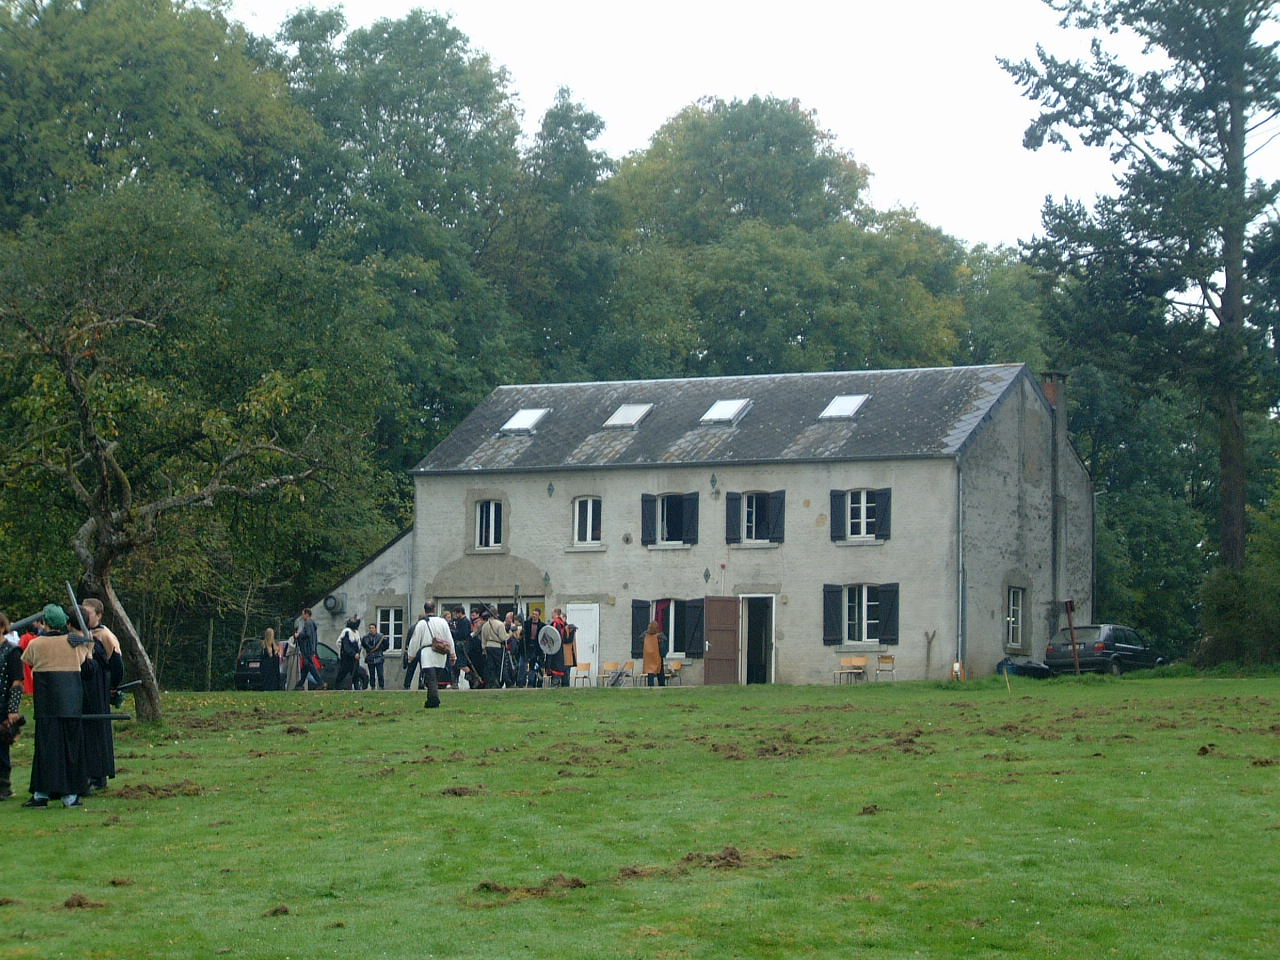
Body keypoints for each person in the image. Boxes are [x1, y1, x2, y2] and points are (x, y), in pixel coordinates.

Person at [21, 604, 91, 808]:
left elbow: (28, 661)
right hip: (71, 704)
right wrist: (88, 645)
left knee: (46, 751)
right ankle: (70, 796)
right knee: (71, 751)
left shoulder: (35, 644)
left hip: (46, 705)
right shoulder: (75, 642)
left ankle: (41, 795)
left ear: (45, 623)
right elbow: (86, 664)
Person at [80, 599, 124, 794]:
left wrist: (112, 686)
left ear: (99, 615)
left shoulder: (105, 635)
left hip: (99, 690)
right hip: (85, 690)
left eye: (89, 613)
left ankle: (99, 776)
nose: (85, 616)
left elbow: (116, 663)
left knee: (98, 732)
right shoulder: (81, 634)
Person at [406, 602, 455, 708]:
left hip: (427, 653)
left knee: (431, 679)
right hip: (441, 653)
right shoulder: (442, 622)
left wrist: (411, 656)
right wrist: (452, 654)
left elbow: (415, 641)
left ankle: (434, 700)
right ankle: (430, 701)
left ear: (425, 610)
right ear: (434, 609)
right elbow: (449, 639)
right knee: (434, 679)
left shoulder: (421, 623)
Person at [1, 613, 24, 801]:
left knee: (1, 749)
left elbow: (17, 682)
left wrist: (13, 709)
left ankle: (4, 787)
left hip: (3, 705)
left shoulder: (12, 651)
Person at [293, 608, 323, 690]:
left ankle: (320, 683)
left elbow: (307, 634)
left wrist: (298, 635)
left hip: (307, 648)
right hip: (311, 647)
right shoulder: (312, 623)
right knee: (306, 667)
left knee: (310, 665)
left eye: (303, 614)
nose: (302, 616)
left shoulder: (307, 623)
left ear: (307, 614)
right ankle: (299, 685)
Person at [479, 605, 506, 689]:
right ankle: (497, 682)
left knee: (490, 665)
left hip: (488, 646)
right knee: (498, 665)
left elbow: (483, 639)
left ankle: (491, 682)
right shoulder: (500, 624)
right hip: (497, 646)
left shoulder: (485, 625)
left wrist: (484, 648)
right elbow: (503, 638)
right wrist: (510, 633)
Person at [333, 617, 362, 690]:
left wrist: (358, 653)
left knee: (355, 673)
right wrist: (354, 654)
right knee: (343, 672)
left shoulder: (356, 633)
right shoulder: (347, 632)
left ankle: (357, 688)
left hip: (355, 658)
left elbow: (358, 645)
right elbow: (346, 646)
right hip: (347, 657)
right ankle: (337, 686)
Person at [361, 622, 387, 690]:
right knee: (371, 674)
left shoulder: (380, 636)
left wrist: (381, 649)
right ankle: (372, 686)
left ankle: (381, 686)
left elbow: (385, 646)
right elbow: (366, 646)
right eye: (370, 628)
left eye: (372, 628)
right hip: (370, 657)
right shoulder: (366, 637)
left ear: (375, 629)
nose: (371, 629)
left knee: (380, 674)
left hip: (379, 657)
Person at [402, 614, 425, 690]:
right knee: (423, 668)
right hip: (421, 650)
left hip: (413, 650)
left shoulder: (412, 627)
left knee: (411, 669)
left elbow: (408, 639)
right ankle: (421, 684)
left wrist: (407, 649)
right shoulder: (423, 628)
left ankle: (407, 684)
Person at [642, 620, 668, 687]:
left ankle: (650, 686)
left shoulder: (645, 635)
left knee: (650, 672)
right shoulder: (659, 636)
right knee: (660, 671)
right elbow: (665, 639)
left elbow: (641, 638)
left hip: (649, 658)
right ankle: (661, 685)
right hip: (657, 656)